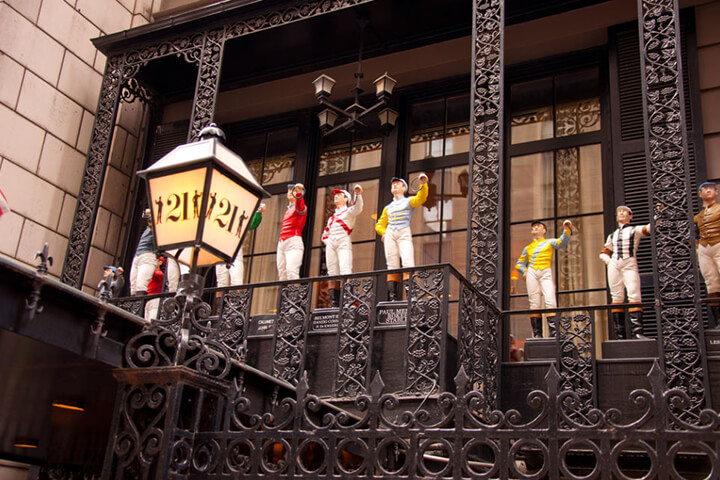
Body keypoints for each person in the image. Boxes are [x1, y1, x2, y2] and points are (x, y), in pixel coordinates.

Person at [599, 205, 652, 339]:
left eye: (625, 212)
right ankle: (620, 334)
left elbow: (649, 228)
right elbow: (604, 252)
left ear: (630, 216)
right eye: (619, 212)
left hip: (629, 263)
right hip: (615, 265)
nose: (621, 213)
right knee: (616, 297)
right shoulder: (612, 235)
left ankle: (637, 332)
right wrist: (609, 261)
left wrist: (658, 216)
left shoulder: (635, 230)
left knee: (634, 294)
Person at [515, 220, 573, 338]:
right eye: (533, 227)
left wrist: (566, 230)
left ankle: (554, 332)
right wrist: (524, 271)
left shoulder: (549, 242)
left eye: (538, 226)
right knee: (534, 303)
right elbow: (519, 264)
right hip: (532, 272)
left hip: (545, 271)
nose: (535, 228)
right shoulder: (528, 248)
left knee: (550, 300)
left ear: (544, 230)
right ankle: (537, 334)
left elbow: (562, 242)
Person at [375, 173, 428, 301]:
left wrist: (423, 184)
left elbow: (421, 198)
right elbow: (379, 224)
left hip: (403, 231)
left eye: (398, 184)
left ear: (404, 188)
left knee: (408, 261)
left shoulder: (409, 201)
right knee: (391, 264)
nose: (394, 186)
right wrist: (383, 232)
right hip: (390, 233)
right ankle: (393, 297)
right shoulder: (388, 208)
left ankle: (411, 295)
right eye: (393, 184)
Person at [322, 185, 364, 307]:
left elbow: (357, 208)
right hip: (332, 244)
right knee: (332, 272)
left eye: (339, 195)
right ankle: (334, 302)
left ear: (346, 199)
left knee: (345, 269)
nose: (336, 196)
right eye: (335, 195)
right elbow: (325, 234)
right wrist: (328, 242)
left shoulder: (349, 212)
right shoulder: (331, 218)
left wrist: (358, 195)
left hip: (343, 241)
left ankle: (347, 299)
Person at [129, 208, 180, 296]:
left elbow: (149, 215)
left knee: (141, 284)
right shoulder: (149, 228)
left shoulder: (157, 227)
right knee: (133, 286)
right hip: (138, 256)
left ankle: (172, 291)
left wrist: (154, 211)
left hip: (147, 256)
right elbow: (146, 214)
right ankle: (134, 300)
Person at [216, 203, 265, 287]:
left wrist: (258, 213)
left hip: (235, 249)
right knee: (221, 282)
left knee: (236, 281)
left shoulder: (239, 212)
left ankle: (236, 296)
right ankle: (222, 296)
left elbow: (252, 224)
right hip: (222, 249)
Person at [694, 181, 720, 326]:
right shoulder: (698, 216)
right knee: (711, 282)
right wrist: (697, 247)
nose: (708, 191)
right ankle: (718, 320)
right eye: (704, 189)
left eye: (711, 188)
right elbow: (692, 233)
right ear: (700, 194)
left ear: (716, 192)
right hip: (705, 248)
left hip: (718, 244)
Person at [277, 183, 307, 281]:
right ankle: (284, 291)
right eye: (289, 190)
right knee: (282, 274)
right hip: (282, 242)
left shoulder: (300, 207)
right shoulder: (288, 209)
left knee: (291, 271)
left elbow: (300, 207)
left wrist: (299, 195)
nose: (290, 192)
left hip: (293, 240)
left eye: (293, 190)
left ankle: (294, 291)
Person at [144, 257, 165, 322]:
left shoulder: (159, 273)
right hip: (149, 300)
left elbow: (157, 274)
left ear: (160, 262)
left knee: (151, 322)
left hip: (155, 300)